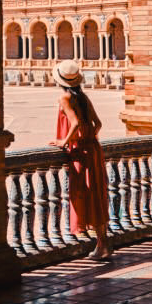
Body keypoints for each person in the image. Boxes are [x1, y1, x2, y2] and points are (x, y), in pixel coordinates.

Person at [49, 62, 112, 260]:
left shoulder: (65, 97)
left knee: (84, 195)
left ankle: (102, 246)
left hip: (80, 153)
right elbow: (98, 123)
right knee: (97, 195)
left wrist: (64, 142)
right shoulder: (83, 97)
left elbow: (75, 123)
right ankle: (103, 244)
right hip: (93, 149)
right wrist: (89, 138)